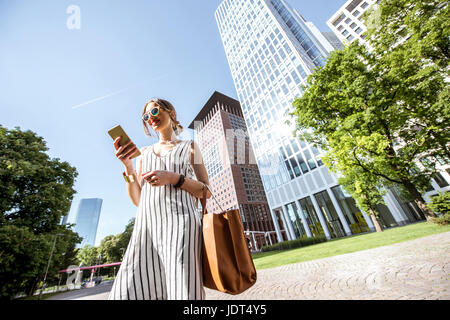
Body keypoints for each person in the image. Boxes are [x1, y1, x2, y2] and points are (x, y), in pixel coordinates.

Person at [108, 98, 211, 300]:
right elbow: (138, 199)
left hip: (182, 227)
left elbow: (206, 191)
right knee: (129, 290)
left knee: (184, 290)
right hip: (147, 230)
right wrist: (128, 167)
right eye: (146, 117)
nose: (150, 118)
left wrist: (174, 178)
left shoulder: (191, 147)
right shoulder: (143, 154)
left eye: (154, 112)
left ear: (170, 112)